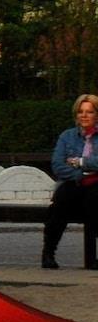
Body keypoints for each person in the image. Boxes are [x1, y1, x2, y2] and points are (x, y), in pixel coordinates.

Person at [43, 95, 98, 270]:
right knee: (60, 203)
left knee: (94, 200)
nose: (84, 115)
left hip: (96, 186)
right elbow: (58, 165)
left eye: (90, 112)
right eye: (81, 112)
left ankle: (92, 258)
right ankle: (48, 253)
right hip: (74, 182)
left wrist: (80, 162)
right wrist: (81, 174)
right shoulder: (67, 136)